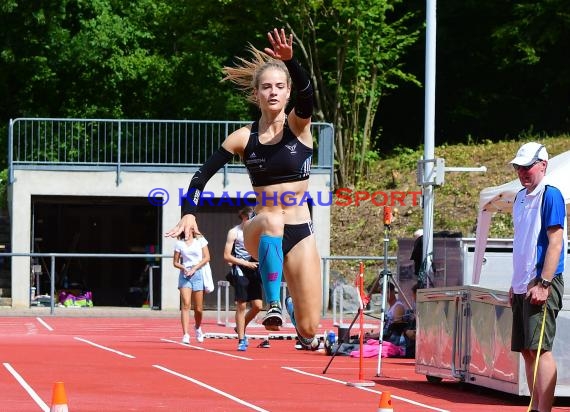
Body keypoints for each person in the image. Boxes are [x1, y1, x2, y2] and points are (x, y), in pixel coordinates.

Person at [165, 28, 321, 349]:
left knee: (310, 327)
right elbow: (201, 175)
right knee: (273, 218)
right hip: (261, 229)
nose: (273, 92)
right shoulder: (242, 138)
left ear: (288, 92)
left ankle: (290, 308)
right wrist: (188, 212)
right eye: (266, 87)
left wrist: (291, 62)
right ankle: (273, 303)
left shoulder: (299, 127)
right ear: (256, 93)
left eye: (280, 87)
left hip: (301, 230)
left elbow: (308, 97)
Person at [509, 142, 566, 412]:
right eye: (519, 167)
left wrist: (544, 282)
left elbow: (556, 242)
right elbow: (521, 242)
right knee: (527, 349)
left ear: (543, 165)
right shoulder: (519, 197)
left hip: (541, 282)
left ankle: (543, 410)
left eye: (527, 166)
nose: (522, 171)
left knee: (540, 348)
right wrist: (514, 283)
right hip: (522, 283)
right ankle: (535, 406)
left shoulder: (550, 194)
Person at [224, 206, 268, 351]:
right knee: (241, 305)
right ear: (243, 217)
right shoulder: (234, 232)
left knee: (257, 306)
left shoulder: (257, 233)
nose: (252, 221)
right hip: (240, 269)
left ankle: (240, 327)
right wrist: (245, 263)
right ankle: (242, 339)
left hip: (254, 270)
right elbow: (227, 256)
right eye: (250, 218)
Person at [173, 230, 210, 344]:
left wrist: (195, 268)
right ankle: (185, 334)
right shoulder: (179, 243)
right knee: (186, 304)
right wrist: (184, 268)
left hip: (198, 273)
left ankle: (198, 327)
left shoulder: (200, 240)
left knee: (198, 308)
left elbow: (207, 257)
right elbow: (175, 262)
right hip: (185, 275)